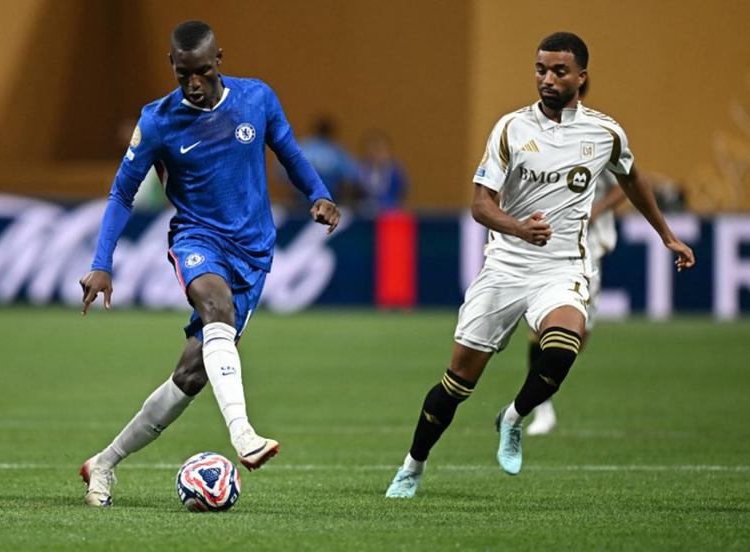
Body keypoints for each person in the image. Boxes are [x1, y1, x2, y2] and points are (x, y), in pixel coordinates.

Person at [385, 32, 694, 498]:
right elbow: (480, 205)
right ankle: (412, 465)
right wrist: (517, 228)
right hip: (506, 266)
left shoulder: (605, 132)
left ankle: (513, 416)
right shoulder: (511, 129)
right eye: (541, 70)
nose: (547, 79)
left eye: (559, 71)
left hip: (561, 267)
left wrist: (667, 235)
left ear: (581, 77)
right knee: (457, 384)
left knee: (566, 341)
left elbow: (632, 180)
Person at [78, 20, 340, 507]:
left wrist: (320, 194)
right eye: (183, 76)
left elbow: (290, 152)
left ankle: (104, 463)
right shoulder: (156, 121)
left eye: (201, 72)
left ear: (219, 59)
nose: (193, 85)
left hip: (254, 252)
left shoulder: (257, 99)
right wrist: (101, 262)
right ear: (172, 68)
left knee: (191, 376)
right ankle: (243, 435)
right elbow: (122, 192)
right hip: (198, 240)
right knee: (216, 310)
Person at [526, 82, 627, 436]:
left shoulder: (600, 137)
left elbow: (625, 186)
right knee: (541, 326)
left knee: (576, 336)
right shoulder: (536, 138)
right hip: (553, 247)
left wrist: (594, 211)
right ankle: (540, 408)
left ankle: (540, 393)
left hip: (590, 247)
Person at [356, 129, 408, 213]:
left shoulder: (396, 171)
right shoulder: (359, 169)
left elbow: (401, 192)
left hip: (390, 211)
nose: (376, 154)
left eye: (379, 150)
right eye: (373, 150)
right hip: (364, 212)